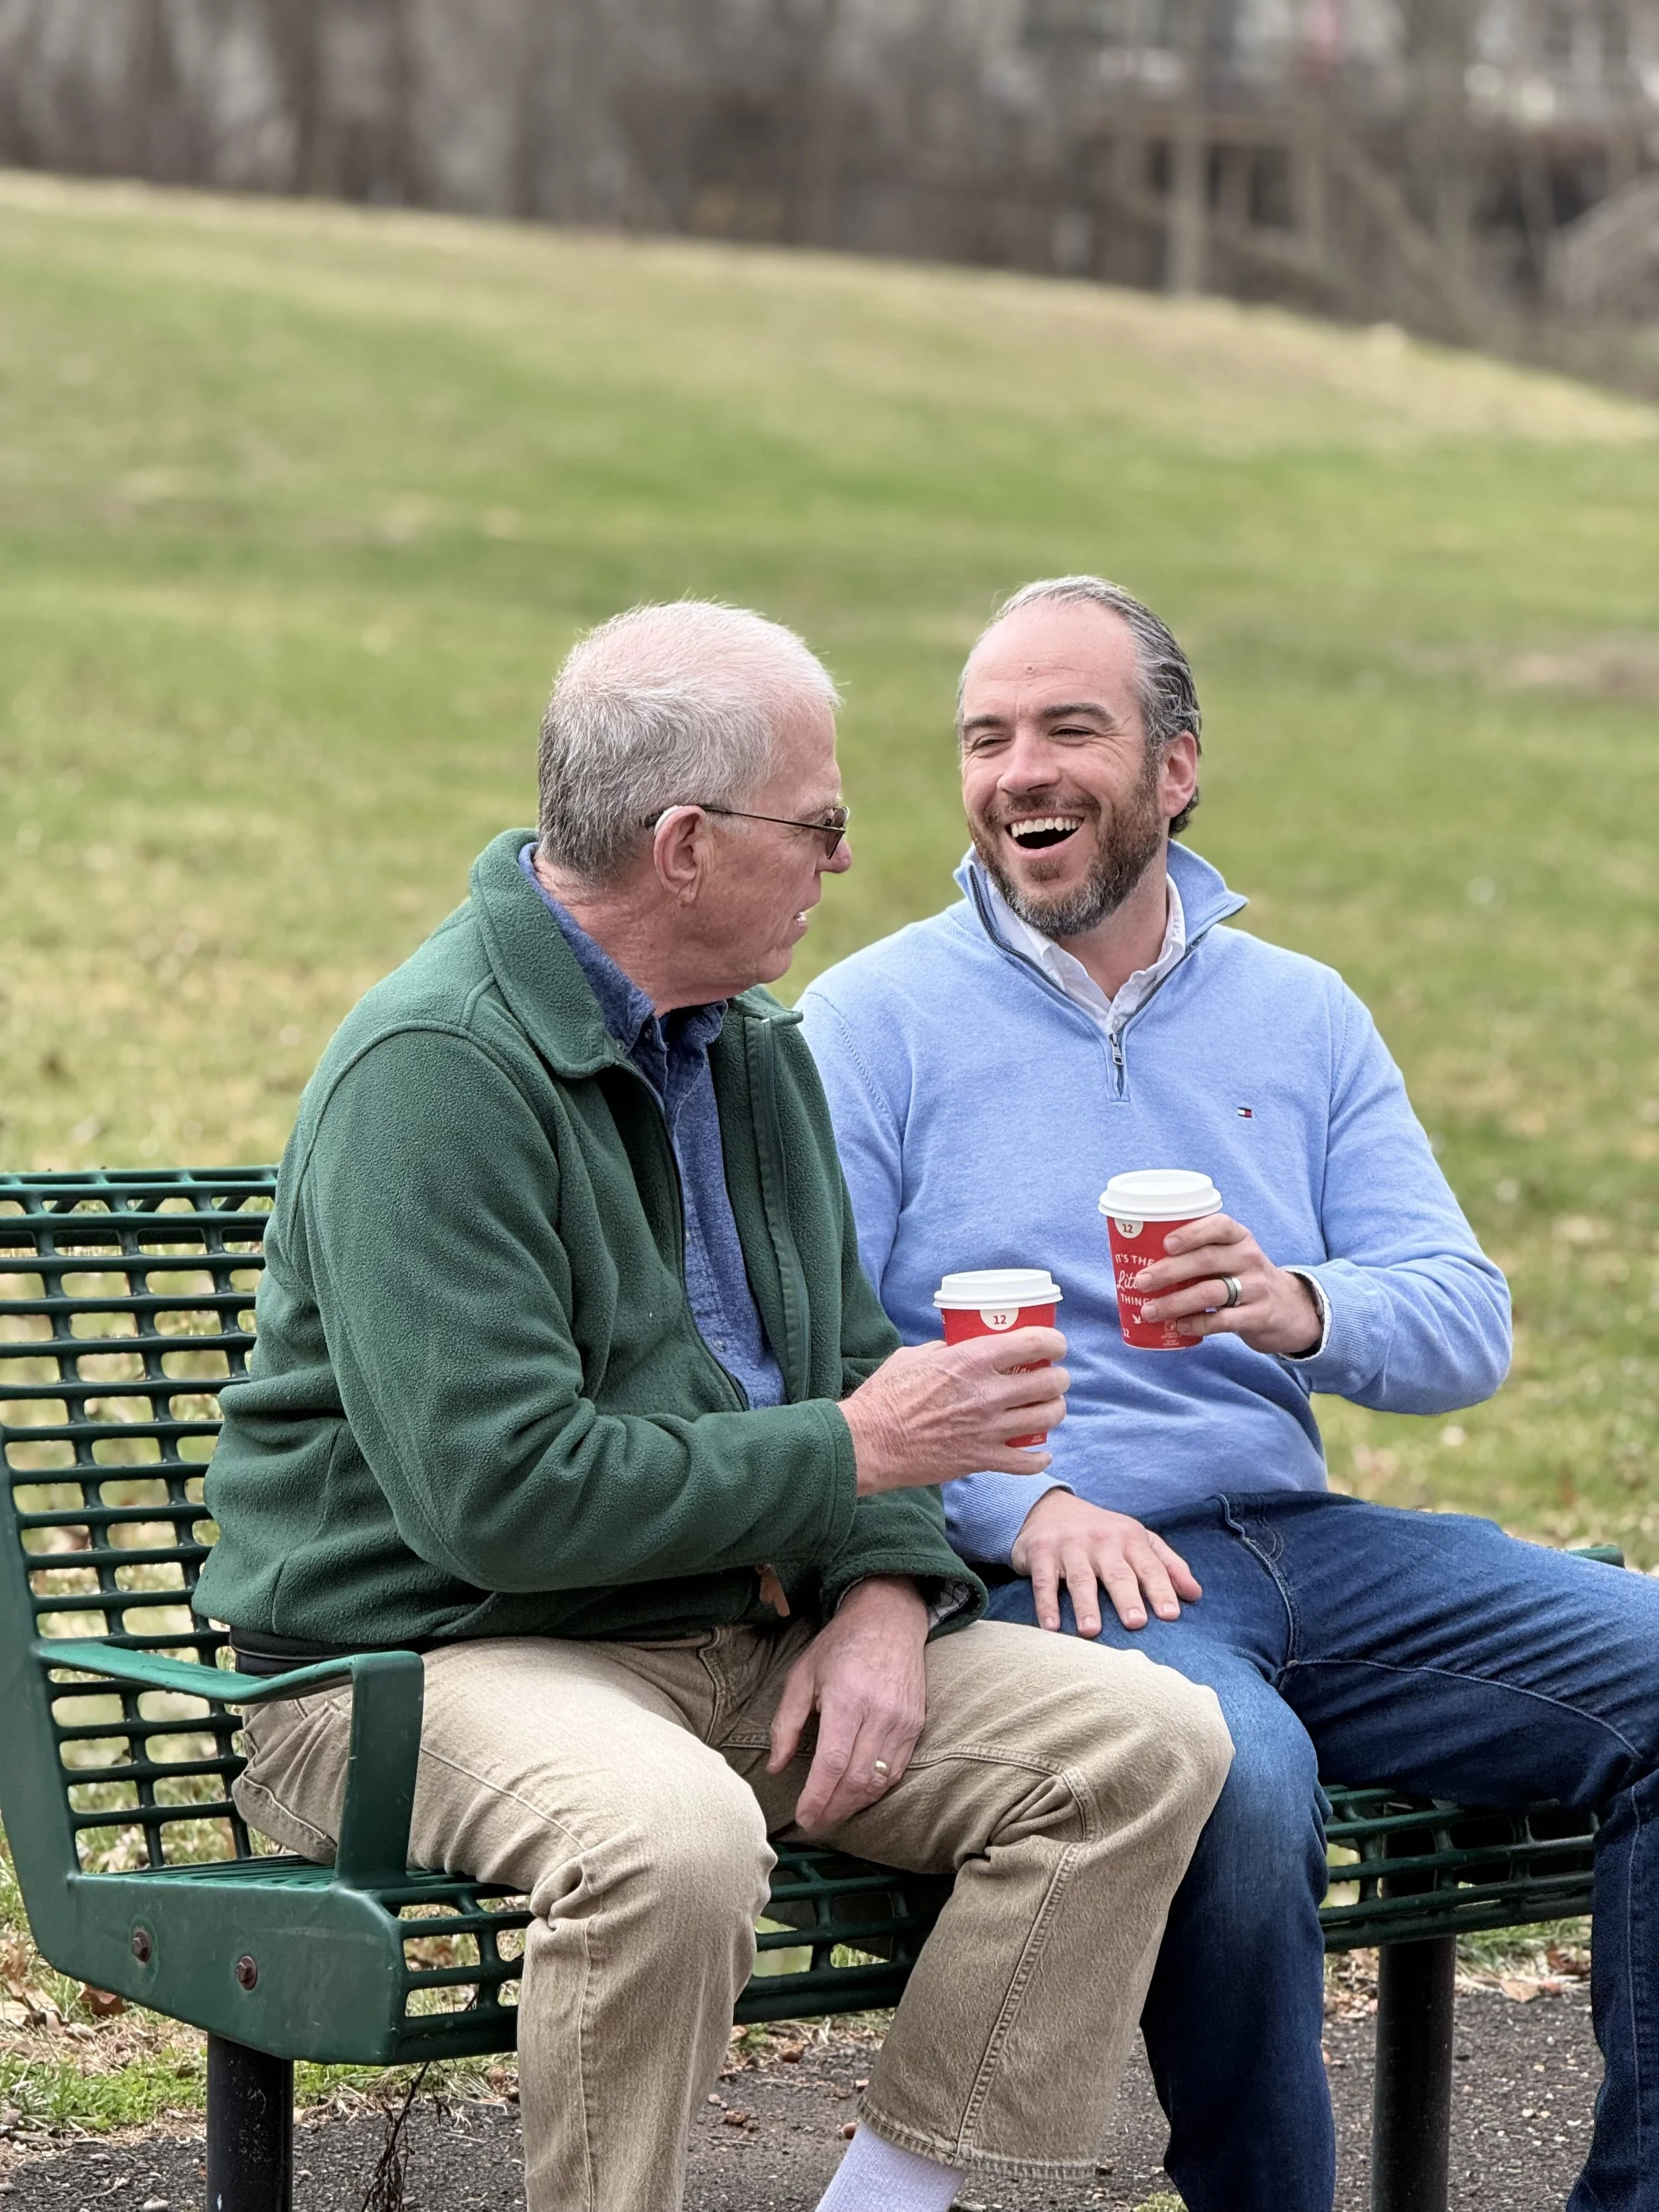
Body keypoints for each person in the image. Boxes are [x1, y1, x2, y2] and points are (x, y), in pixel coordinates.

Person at [193, 600, 1232, 2212]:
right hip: (415, 1665)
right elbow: (500, 1496)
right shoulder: (435, 1070)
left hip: (722, 1640)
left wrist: (885, 1589)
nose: (839, 861)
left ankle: (889, 2203)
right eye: (815, 826)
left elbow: (841, 1361)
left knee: (1142, 1738)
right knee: (666, 1839)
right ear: (684, 842)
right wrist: (855, 1453)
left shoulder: (749, 1048)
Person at [798, 573, 1659, 2212]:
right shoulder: (867, 1026)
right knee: (1238, 1780)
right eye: (985, 738)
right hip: (1062, 1570)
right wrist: (1017, 1502)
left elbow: (1461, 1318)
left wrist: (1293, 1302)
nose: (1017, 772)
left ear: (1174, 768)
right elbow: (805, 1352)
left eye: (1070, 728)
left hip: (1300, 1542)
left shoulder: (1299, 1012)